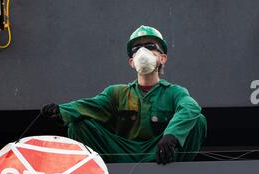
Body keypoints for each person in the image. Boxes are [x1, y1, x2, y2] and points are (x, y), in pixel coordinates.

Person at [41, 25, 207, 164]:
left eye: (150, 46)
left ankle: (174, 166)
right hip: (121, 153)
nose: (143, 51)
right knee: (78, 124)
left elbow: (190, 106)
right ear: (131, 62)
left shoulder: (174, 92)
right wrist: (62, 111)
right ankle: (101, 169)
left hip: (160, 152)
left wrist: (171, 135)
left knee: (197, 121)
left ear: (163, 58)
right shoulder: (117, 93)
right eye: (136, 49)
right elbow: (88, 107)